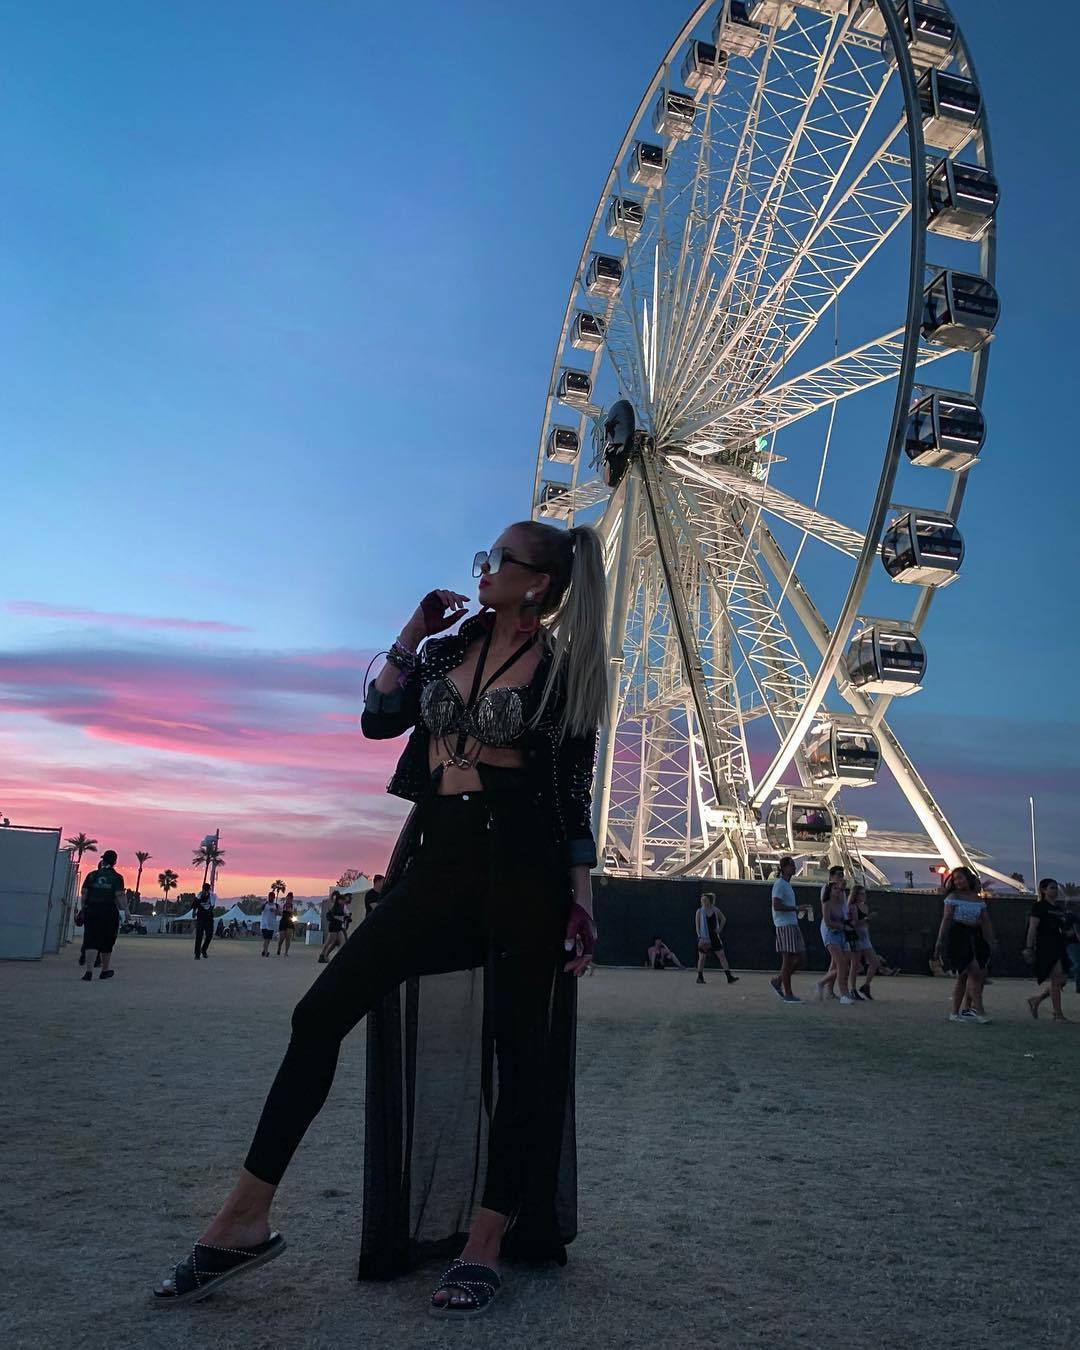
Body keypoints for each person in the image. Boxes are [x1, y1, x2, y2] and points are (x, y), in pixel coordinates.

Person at [153, 519, 607, 1319]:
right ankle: (244, 1220)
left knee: (518, 1054)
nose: (483, 567)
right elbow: (378, 719)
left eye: (499, 559)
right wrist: (409, 632)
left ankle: (486, 1241)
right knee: (319, 1014)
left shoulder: (563, 673)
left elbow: (572, 797)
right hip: (438, 858)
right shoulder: (446, 648)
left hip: (524, 868)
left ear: (537, 582)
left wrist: (582, 900)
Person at [934, 866, 994, 1025]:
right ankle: (979, 1011)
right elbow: (946, 919)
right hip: (958, 937)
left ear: (968, 878)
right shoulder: (953, 897)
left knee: (964, 976)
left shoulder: (977, 899)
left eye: (960, 878)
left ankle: (955, 1012)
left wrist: (990, 940)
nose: (958, 882)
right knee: (975, 972)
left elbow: (986, 921)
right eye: (955, 879)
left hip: (975, 937)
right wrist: (939, 940)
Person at [1024, 878, 1070, 1022]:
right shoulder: (1039, 907)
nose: (1055, 891)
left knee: (1061, 980)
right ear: (1044, 890)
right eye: (1052, 888)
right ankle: (1058, 1014)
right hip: (1046, 946)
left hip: (1060, 945)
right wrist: (1029, 947)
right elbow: (1032, 927)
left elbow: (1063, 927)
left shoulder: (1059, 909)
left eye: (1056, 888)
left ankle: (1036, 1000)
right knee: (1056, 978)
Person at [79, 849, 125, 981]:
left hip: (92, 909)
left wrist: (83, 908)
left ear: (103, 860)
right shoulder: (117, 877)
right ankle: (105, 970)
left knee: (91, 940)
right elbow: (119, 896)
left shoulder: (92, 875)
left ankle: (89, 971)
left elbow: (84, 893)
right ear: (115, 862)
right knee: (107, 940)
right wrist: (124, 910)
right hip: (109, 910)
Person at [817, 873, 856, 1005]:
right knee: (841, 964)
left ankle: (822, 983)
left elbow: (845, 918)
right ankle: (844, 994)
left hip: (842, 934)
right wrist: (843, 926)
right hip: (831, 935)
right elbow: (828, 922)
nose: (838, 890)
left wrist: (849, 927)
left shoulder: (841, 902)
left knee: (846, 964)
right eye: (835, 888)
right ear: (830, 889)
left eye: (840, 889)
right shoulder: (827, 903)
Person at [769, 856, 804, 1003]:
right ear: (783, 868)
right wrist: (795, 908)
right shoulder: (780, 885)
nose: (794, 868)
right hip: (784, 925)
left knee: (800, 958)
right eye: (791, 865)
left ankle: (778, 981)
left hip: (792, 924)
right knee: (788, 959)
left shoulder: (787, 885)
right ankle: (788, 994)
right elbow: (776, 905)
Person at [847, 884, 883, 1000]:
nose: (864, 896)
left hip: (864, 936)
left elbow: (865, 924)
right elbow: (855, 923)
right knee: (855, 964)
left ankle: (866, 985)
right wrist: (867, 919)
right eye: (861, 894)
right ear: (856, 895)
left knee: (874, 962)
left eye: (864, 893)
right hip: (856, 936)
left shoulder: (865, 907)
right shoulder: (853, 907)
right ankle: (853, 989)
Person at [694, 893, 738, 986]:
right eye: (702, 900)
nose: (703, 901)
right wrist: (699, 936)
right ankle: (700, 977)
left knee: (722, 955)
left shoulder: (715, 910)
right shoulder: (699, 911)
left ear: (709, 901)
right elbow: (697, 926)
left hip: (714, 937)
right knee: (702, 957)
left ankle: (729, 977)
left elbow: (723, 919)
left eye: (705, 899)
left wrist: (719, 929)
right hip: (704, 937)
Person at [318, 892, 348, 964]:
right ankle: (325, 956)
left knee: (338, 941)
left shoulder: (340, 907)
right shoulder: (335, 907)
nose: (343, 901)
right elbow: (334, 916)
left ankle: (325, 955)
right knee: (332, 941)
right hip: (334, 927)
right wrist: (343, 918)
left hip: (338, 927)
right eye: (342, 900)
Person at [193, 884, 215, 960]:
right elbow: (194, 905)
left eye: (207, 890)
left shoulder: (212, 896)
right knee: (199, 936)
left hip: (209, 918)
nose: (205, 891)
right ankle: (197, 954)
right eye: (204, 890)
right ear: (202, 889)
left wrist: (205, 899)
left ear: (209, 890)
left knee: (209, 935)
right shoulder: (199, 895)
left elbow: (212, 906)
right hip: (200, 918)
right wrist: (194, 912)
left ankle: (203, 950)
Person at [276, 892, 297, 956]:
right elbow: (279, 913)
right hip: (283, 921)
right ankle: (279, 947)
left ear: (292, 899)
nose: (288, 900)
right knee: (282, 937)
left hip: (290, 922)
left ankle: (286, 952)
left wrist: (295, 922)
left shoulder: (293, 906)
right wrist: (279, 911)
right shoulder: (283, 905)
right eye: (287, 898)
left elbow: (295, 915)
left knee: (288, 937)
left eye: (290, 899)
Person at [259, 893, 278, 958]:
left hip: (271, 925)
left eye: (272, 897)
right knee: (266, 939)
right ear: (268, 897)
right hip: (264, 924)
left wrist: (275, 911)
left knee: (268, 939)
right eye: (270, 897)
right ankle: (266, 952)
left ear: (274, 897)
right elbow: (260, 909)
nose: (271, 898)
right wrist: (263, 904)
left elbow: (279, 913)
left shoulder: (276, 905)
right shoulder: (265, 904)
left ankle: (264, 950)